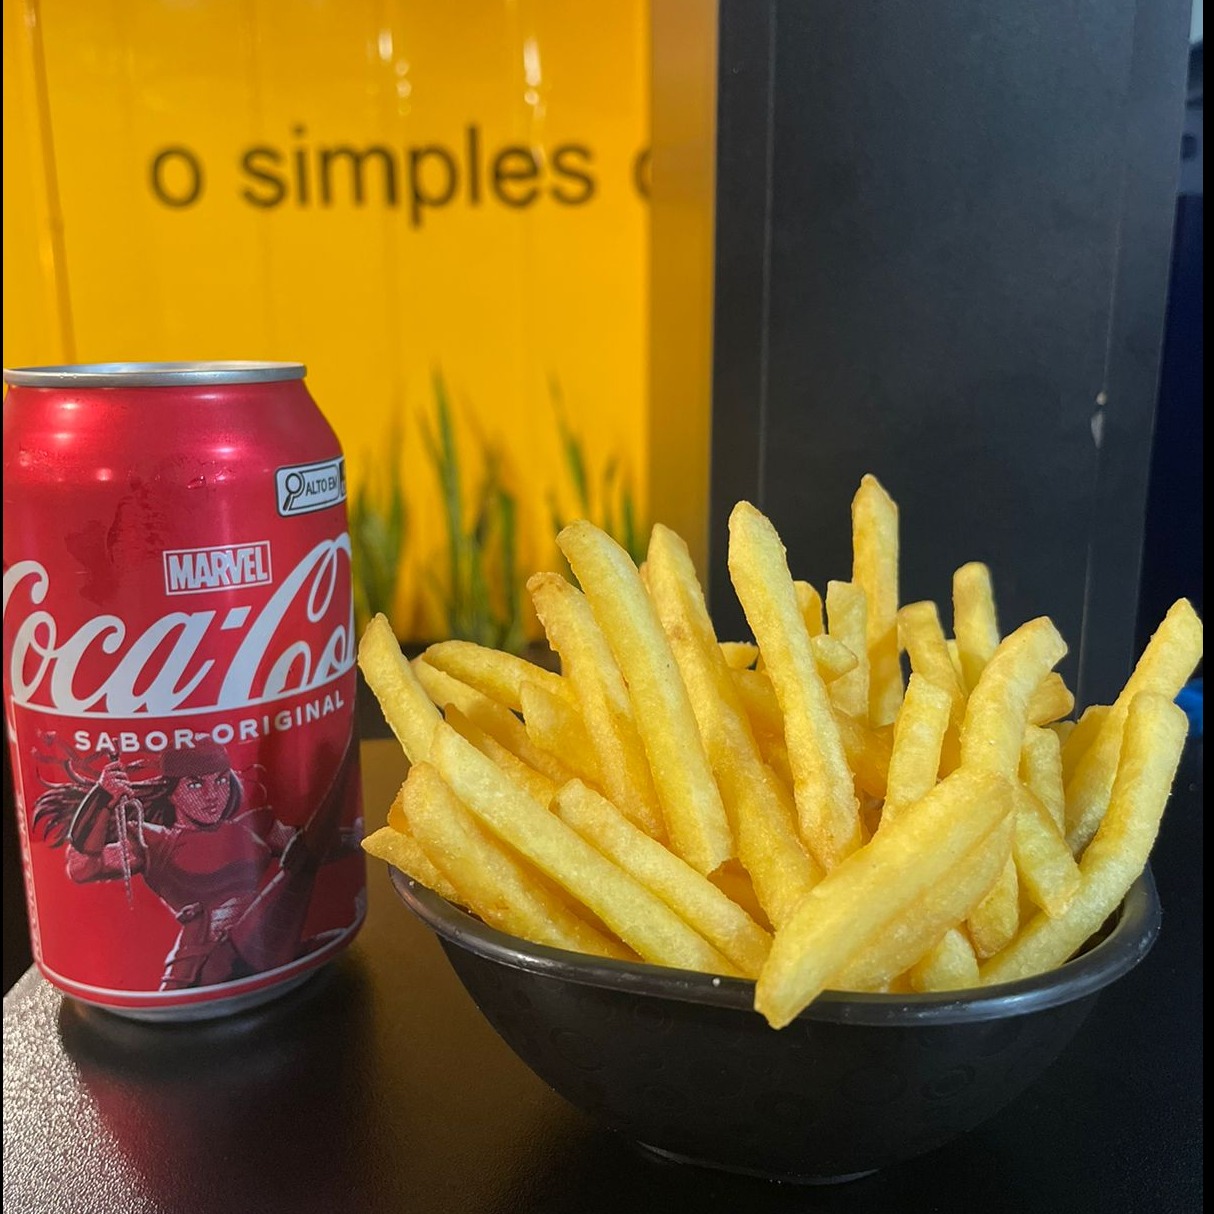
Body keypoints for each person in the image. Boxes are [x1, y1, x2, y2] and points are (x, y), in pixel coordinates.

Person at [33, 741, 359, 991]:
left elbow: (315, 844)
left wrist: (359, 835)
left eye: (220, 781)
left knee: (312, 888)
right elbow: (80, 866)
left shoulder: (254, 824)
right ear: (171, 792)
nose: (212, 795)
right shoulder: (154, 842)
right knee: (298, 866)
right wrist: (101, 798)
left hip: (273, 948)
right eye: (194, 785)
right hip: (203, 967)